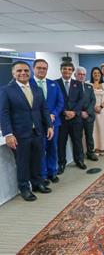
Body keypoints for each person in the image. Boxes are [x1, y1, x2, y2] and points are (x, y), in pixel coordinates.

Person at [0, 61, 53, 201]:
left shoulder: (37, 90)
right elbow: (3, 113)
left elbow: (44, 110)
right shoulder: (6, 90)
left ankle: (37, 183)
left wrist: (49, 126)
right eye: (19, 71)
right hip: (19, 134)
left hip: (37, 132)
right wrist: (8, 134)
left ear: (30, 72)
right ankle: (24, 188)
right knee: (23, 162)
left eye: (25, 70)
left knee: (37, 159)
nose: (23, 73)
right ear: (13, 73)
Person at [31, 59, 64, 184]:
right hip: (37, 125)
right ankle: (43, 175)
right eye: (39, 67)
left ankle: (52, 172)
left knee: (52, 148)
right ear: (33, 68)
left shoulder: (53, 84)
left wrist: (53, 114)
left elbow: (60, 102)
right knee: (40, 150)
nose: (41, 70)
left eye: (44, 68)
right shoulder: (29, 84)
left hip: (53, 122)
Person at [56, 62, 86, 173]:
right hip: (62, 119)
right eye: (65, 69)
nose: (67, 71)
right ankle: (61, 164)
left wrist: (74, 112)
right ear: (61, 70)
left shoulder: (78, 84)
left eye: (69, 69)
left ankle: (79, 160)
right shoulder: (55, 83)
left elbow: (81, 100)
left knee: (77, 141)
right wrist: (64, 112)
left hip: (75, 118)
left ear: (72, 71)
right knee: (61, 142)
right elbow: (55, 101)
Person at [75, 67, 98, 162]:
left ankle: (90, 153)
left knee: (89, 136)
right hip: (77, 117)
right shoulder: (72, 87)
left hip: (89, 116)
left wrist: (87, 112)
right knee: (78, 138)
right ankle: (80, 157)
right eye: (79, 74)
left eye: (83, 74)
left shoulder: (89, 86)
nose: (81, 76)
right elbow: (71, 102)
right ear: (75, 75)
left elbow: (93, 100)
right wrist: (80, 112)